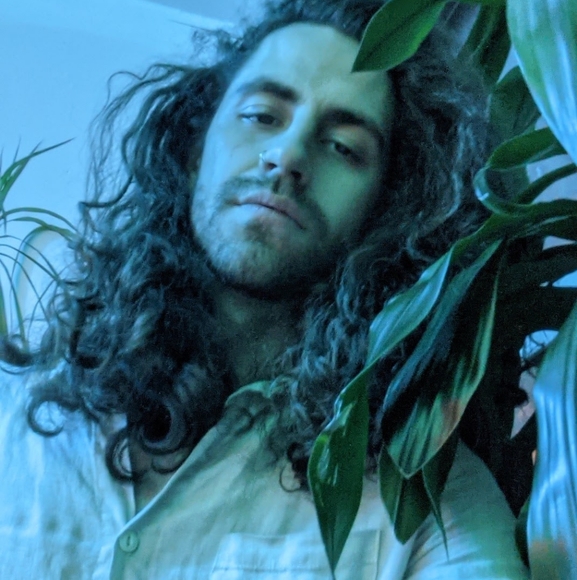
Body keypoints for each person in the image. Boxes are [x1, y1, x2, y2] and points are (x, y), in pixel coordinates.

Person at [0, 0, 530, 578]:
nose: (288, 155)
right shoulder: (11, 410)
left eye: (344, 147)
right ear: (194, 149)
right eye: (261, 115)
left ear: (387, 210)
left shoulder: (429, 508)